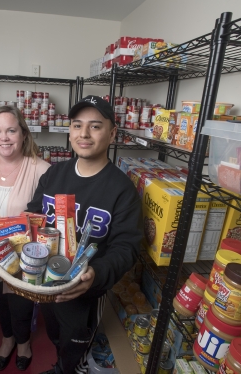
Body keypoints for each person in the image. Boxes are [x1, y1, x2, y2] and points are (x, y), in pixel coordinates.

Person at [26, 95, 142, 374]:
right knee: (54, 332)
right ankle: (61, 365)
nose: (84, 134)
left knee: (76, 342)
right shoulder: (54, 174)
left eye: (95, 126)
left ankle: (70, 368)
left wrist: (96, 275)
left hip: (85, 290)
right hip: (47, 280)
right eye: (77, 126)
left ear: (112, 133)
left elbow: (126, 247)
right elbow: (33, 213)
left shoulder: (122, 190)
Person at [0, 106, 50, 371]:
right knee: (0, 301)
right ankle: (8, 338)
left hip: (21, 259)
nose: (4, 137)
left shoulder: (42, 170)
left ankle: (24, 342)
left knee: (21, 305)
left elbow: (51, 218)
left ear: (23, 134)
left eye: (11, 130)